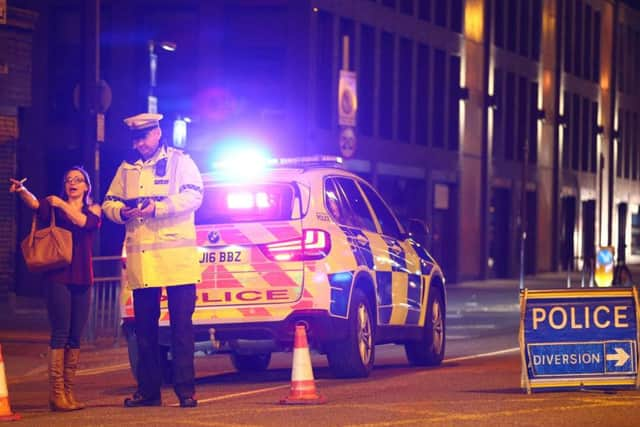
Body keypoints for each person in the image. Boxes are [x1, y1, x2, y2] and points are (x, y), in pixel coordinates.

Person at [102, 113, 203, 408]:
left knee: (181, 330)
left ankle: (186, 391)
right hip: (143, 263)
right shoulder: (127, 168)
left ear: (158, 133)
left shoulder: (180, 162)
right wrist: (121, 212)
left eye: (144, 137)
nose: (140, 143)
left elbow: (194, 196)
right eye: (135, 139)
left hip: (176, 262)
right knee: (144, 332)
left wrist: (157, 208)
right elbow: (109, 201)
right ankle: (148, 392)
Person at [9, 167, 101, 412]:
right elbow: (36, 205)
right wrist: (22, 190)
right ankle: (57, 395)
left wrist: (61, 204)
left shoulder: (93, 210)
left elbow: (81, 222)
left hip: (83, 278)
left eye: (78, 180)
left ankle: (69, 393)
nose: (72, 183)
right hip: (57, 277)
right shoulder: (54, 208)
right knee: (60, 332)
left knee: (75, 337)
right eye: (68, 179)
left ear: (86, 187)